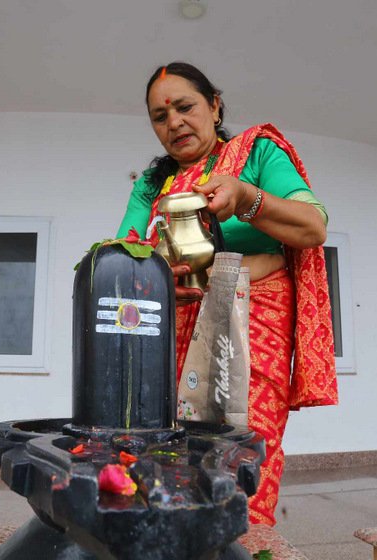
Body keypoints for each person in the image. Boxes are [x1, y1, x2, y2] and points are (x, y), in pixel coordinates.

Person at [116, 61, 338, 526]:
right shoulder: (151, 185)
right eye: (160, 116)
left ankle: (242, 547)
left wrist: (245, 199)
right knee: (169, 458)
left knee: (241, 456)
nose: (174, 121)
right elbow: (125, 261)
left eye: (185, 106)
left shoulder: (255, 153)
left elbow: (313, 227)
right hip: (173, 334)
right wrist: (157, 282)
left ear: (214, 106)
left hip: (252, 325)